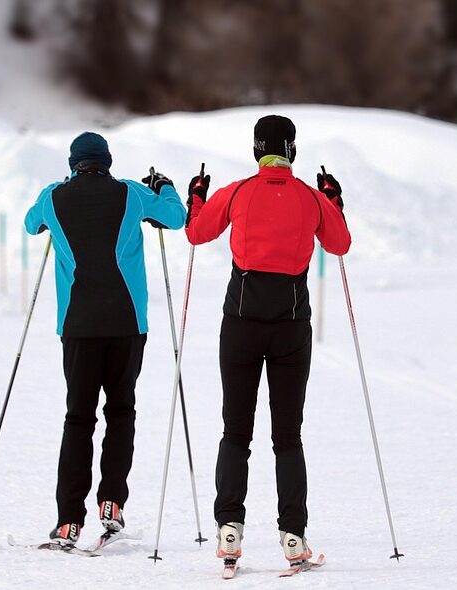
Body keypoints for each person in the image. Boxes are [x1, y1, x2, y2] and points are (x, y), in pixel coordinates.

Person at [183, 115, 351, 568]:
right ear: (292, 150)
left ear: (257, 150)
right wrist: (334, 201)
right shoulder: (312, 198)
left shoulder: (237, 192)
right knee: (288, 436)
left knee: (235, 431)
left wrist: (196, 197)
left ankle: (229, 530)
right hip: (291, 327)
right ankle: (293, 536)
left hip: (240, 324)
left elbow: (196, 232)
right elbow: (339, 244)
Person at [24, 131, 186, 548]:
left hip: (78, 325)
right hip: (127, 323)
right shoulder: (130, 193)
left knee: (78, 418)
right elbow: (175, 217)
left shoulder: (54, 197)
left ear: (73, 163)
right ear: (108, 162)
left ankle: (68, 522)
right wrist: (164, 185)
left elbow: (30, 224)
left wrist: (56, 188)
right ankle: (112, 500)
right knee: (121, 411)